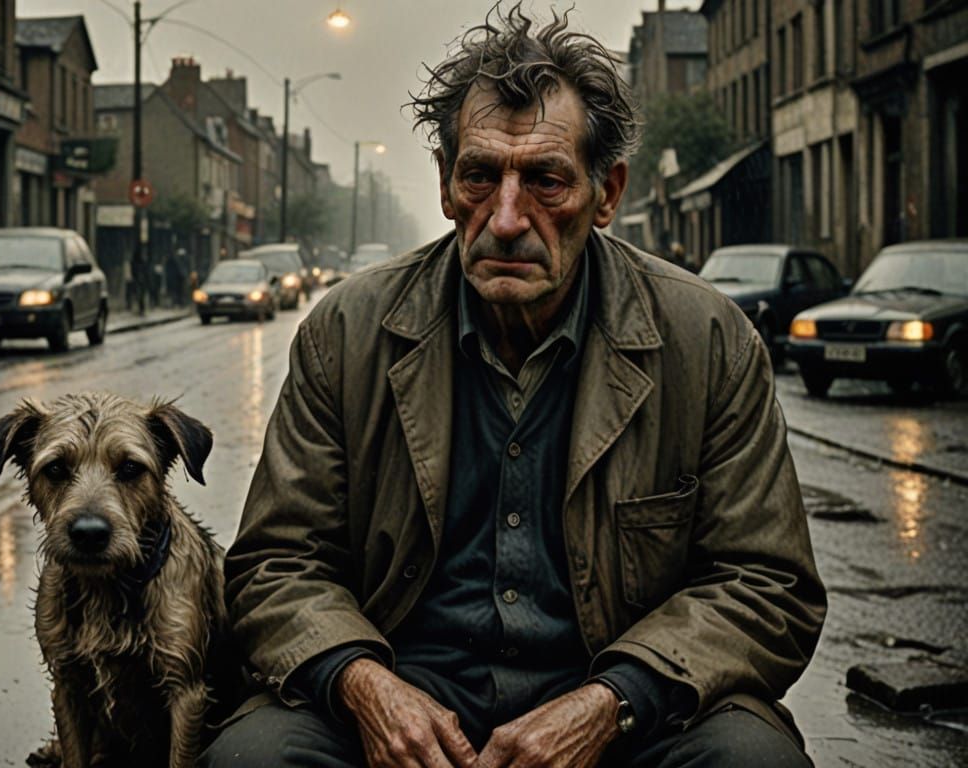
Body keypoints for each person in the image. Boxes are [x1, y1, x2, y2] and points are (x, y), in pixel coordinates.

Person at [205, 6, 824, 768]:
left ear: (608, 193)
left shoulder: (709, 341)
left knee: (752, 760)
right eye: (479, 175)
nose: (505, 217)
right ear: (443, 185)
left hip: (629, 704)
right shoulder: (346, 334)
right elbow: (276, 564)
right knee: (253, 757)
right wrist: (365, 687)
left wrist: (611, 704)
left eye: (545, 180)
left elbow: (767, 583)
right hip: (401, 693)